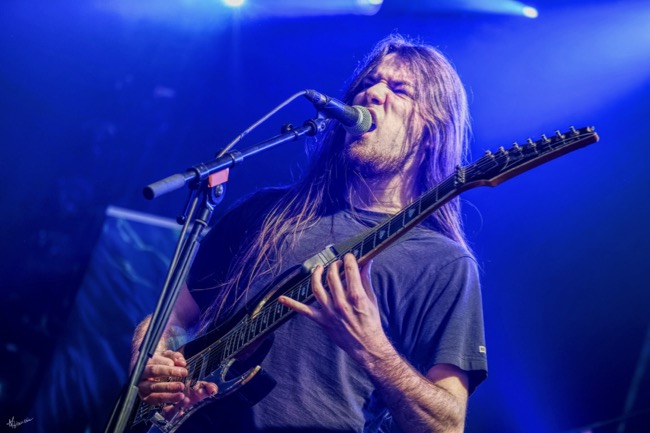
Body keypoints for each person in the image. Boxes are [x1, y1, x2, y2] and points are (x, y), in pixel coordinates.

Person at [132, 34, 487, 432]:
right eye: (368, 83)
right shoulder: (263, 212)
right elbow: (170, 317)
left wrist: (372, 349)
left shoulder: (443, 263)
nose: (372, 93)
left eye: (399, 89)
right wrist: (152, 361)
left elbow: (447, 425)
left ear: (431, 130)